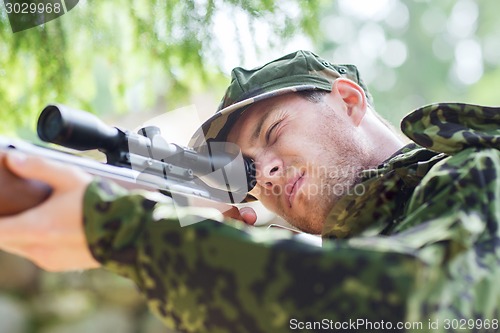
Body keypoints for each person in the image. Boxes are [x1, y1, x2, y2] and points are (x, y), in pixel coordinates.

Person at [0, 50, 499, 332]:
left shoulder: (476, 169)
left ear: (347, 100)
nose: (268, 174)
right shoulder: (345, 257)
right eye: (248, 172)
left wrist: (128, 236)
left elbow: (428, 310)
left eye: (275, 132)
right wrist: (236, 277)